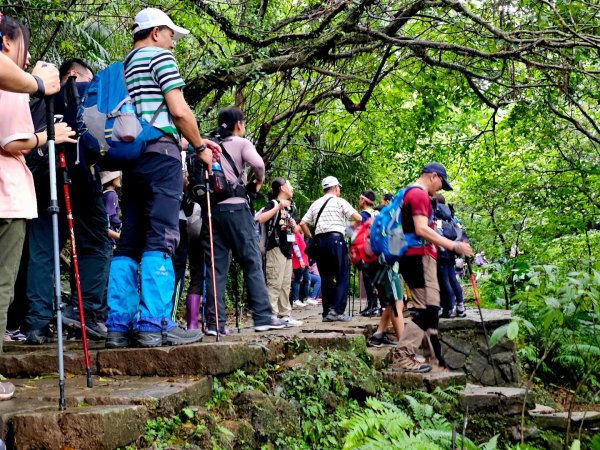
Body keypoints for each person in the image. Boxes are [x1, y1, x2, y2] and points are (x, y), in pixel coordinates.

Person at [105, 8, 220, 348]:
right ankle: (154, 324)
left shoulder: (126, 66)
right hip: (162, 158)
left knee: (129, 239)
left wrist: (186, 138)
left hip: (133, 158)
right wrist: (199, 146)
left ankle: (118, 326)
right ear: (156, 32)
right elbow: (179, 110)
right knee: (162, 236)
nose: (173, 44)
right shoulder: (159, 58)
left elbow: (144, 116)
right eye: (171, 35)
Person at [0, 14, 76, 398]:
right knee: (1, 287)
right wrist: (50, 135)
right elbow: (13, 141)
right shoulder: (9, 84)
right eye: (23, 47)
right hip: (6, 194)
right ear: (8, 42)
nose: (26, 59)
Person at [23, 58, 110, 344]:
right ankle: (86, 314)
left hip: (42, 178)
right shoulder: (88, 94)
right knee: (95, 245)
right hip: (83, 179)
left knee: (43, 250)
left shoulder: (38, 99)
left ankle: (37, 323)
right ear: (76, 75)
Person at [201, 106, 286, 335]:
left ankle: (214, 324)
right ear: (239, 124)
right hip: (237, 212)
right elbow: (258, 164)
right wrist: (259, 181)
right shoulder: (241, 143)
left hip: (213, 213)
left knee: (216, 268)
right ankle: (263, 316)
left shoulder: (209, 147)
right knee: (251, 261)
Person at [393, 163, 472, 372]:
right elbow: (421, 229)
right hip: (416, 258)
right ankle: (403, 355)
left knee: (432, 307)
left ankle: (433, 356)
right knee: (425, 310)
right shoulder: (418, 195)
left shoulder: (409, 193)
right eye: (441, 184)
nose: (439, 189)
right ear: (433, 176)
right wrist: (453, 245)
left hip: (418, 257)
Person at [300, 176, 362, 322]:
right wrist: (349, 226)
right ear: (335, 187)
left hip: (320, 243)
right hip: (335, 240)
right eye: (338, 187)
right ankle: (338, 312)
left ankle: (327, 312)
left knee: (326, 277)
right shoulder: (339, 201)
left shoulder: (315, 203)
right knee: (342, 274)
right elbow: (358, 217)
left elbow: (303, 223)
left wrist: (311, 237)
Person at [258, 178, 303, 326]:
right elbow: (261, 218)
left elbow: (296, 231)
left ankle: (285, 315)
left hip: (286, 249)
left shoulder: (289, 208)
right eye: (290, 186)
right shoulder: (274, 203)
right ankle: (270, 317)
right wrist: (278, 207)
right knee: (274, 283)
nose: (292, 189)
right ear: (282, 188)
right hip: (275, 248)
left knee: (285, 284)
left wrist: (293, 224)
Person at [357, 190, 380, 317]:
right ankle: (375, 306)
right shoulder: (377, 214)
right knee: (376, 277)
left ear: (364, 200)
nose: (359, 201)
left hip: (367, 248)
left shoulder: (363, 215)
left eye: (360, 199)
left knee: (368, 277)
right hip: (377, 247)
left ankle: (373, 306)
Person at [290, 225, 319, 308]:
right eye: (299, 225)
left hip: (304, 261)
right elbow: (295, 248)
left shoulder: (299, 234)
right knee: (297, 280)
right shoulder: (294, 234)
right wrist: (300, 260)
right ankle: (296, 299)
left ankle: (308, 297)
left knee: (307, 280)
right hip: (299, 261)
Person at [100, 171, 122, 246]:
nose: (119, 178)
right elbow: (110, 215)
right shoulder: (111, 194)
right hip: (108, 236)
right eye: (117, 177)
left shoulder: (103, 194)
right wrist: (121, 225)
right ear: (112, 180)